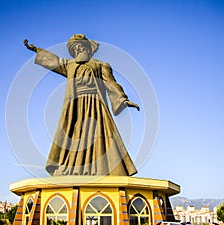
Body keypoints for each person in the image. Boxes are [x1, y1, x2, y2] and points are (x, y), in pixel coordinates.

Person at [24, 34, 139, 176]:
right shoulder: (69, 65)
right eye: (75, 48)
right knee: (75, 135)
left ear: (87, 48)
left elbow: (110, 83)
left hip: (95, 104)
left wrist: (123, 99)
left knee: (98, 135)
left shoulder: (100, 65)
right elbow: (54, 61)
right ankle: (74, 168)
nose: (78, 49)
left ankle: (100, 168)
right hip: (75, 106)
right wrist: (36, 50)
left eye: (80, 46)